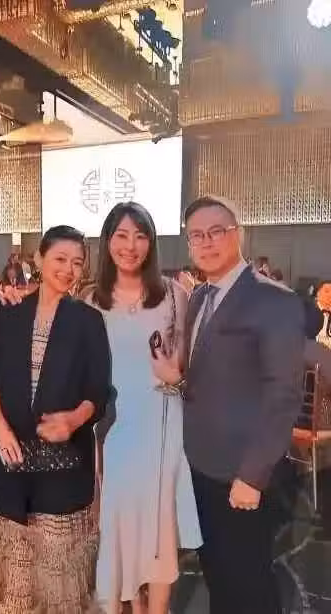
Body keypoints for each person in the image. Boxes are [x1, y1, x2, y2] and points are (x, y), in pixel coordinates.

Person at [0, 225, 111, 614]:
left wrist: (73, 421)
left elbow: (99, 391)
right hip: (9, 463)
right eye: (60, 259)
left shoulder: (88, 320)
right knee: (9, 581)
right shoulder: (7, 313)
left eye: (77, 263)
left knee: (55, 584)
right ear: (38, 259)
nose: (68, 269)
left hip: (61, 467)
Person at [183, 195, 304, 614]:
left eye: (217, 231)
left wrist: (252, 476)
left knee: (250, 585)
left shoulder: (273, 300)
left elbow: (283, 395)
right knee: (218, 576)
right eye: (197, 235)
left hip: (242, 474)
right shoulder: (198, 297)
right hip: (200, 466)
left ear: (239, 234)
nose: (207, 242)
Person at [89, 202, 201, 614]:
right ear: (107, 241)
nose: (130, 245)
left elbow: (188, 365)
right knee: (120, 524)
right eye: (121, 235)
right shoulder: (91, 300)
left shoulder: (174, 295)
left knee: (158, 527)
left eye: (140, 236)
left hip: (163, 422)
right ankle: (132, 602)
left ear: (151, 243)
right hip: (115, 425)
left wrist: (176, 373)